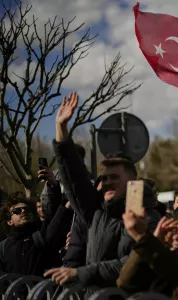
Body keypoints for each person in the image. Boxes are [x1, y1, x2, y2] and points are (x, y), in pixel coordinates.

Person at [44, 92, 161, 289]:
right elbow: (74, 179)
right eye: (104, 178)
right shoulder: (95, 211)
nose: (106, 182)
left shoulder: (148, 217)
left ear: (133, 181)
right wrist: (61, 129)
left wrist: (80, 273)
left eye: (114, 177)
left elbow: (133, 263)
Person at [0, 190, 73, 276]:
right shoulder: (3, 247)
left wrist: (53, 187)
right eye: (17, 210)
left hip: (44, 288)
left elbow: (52, 214)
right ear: (9, 221)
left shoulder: (40, 235)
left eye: (25, 209)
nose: (23, 211)